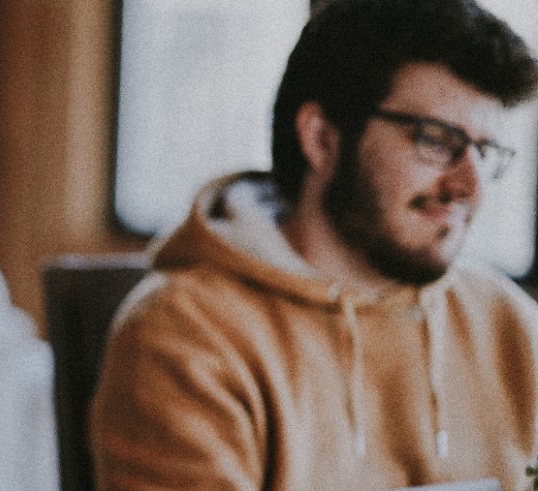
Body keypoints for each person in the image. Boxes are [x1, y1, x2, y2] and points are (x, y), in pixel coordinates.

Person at [88, 0, 538, 489]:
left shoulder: (507, 322)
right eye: (436, 140)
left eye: (485, 152)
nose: (470, 186)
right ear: (321, 137)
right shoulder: (186, 335)